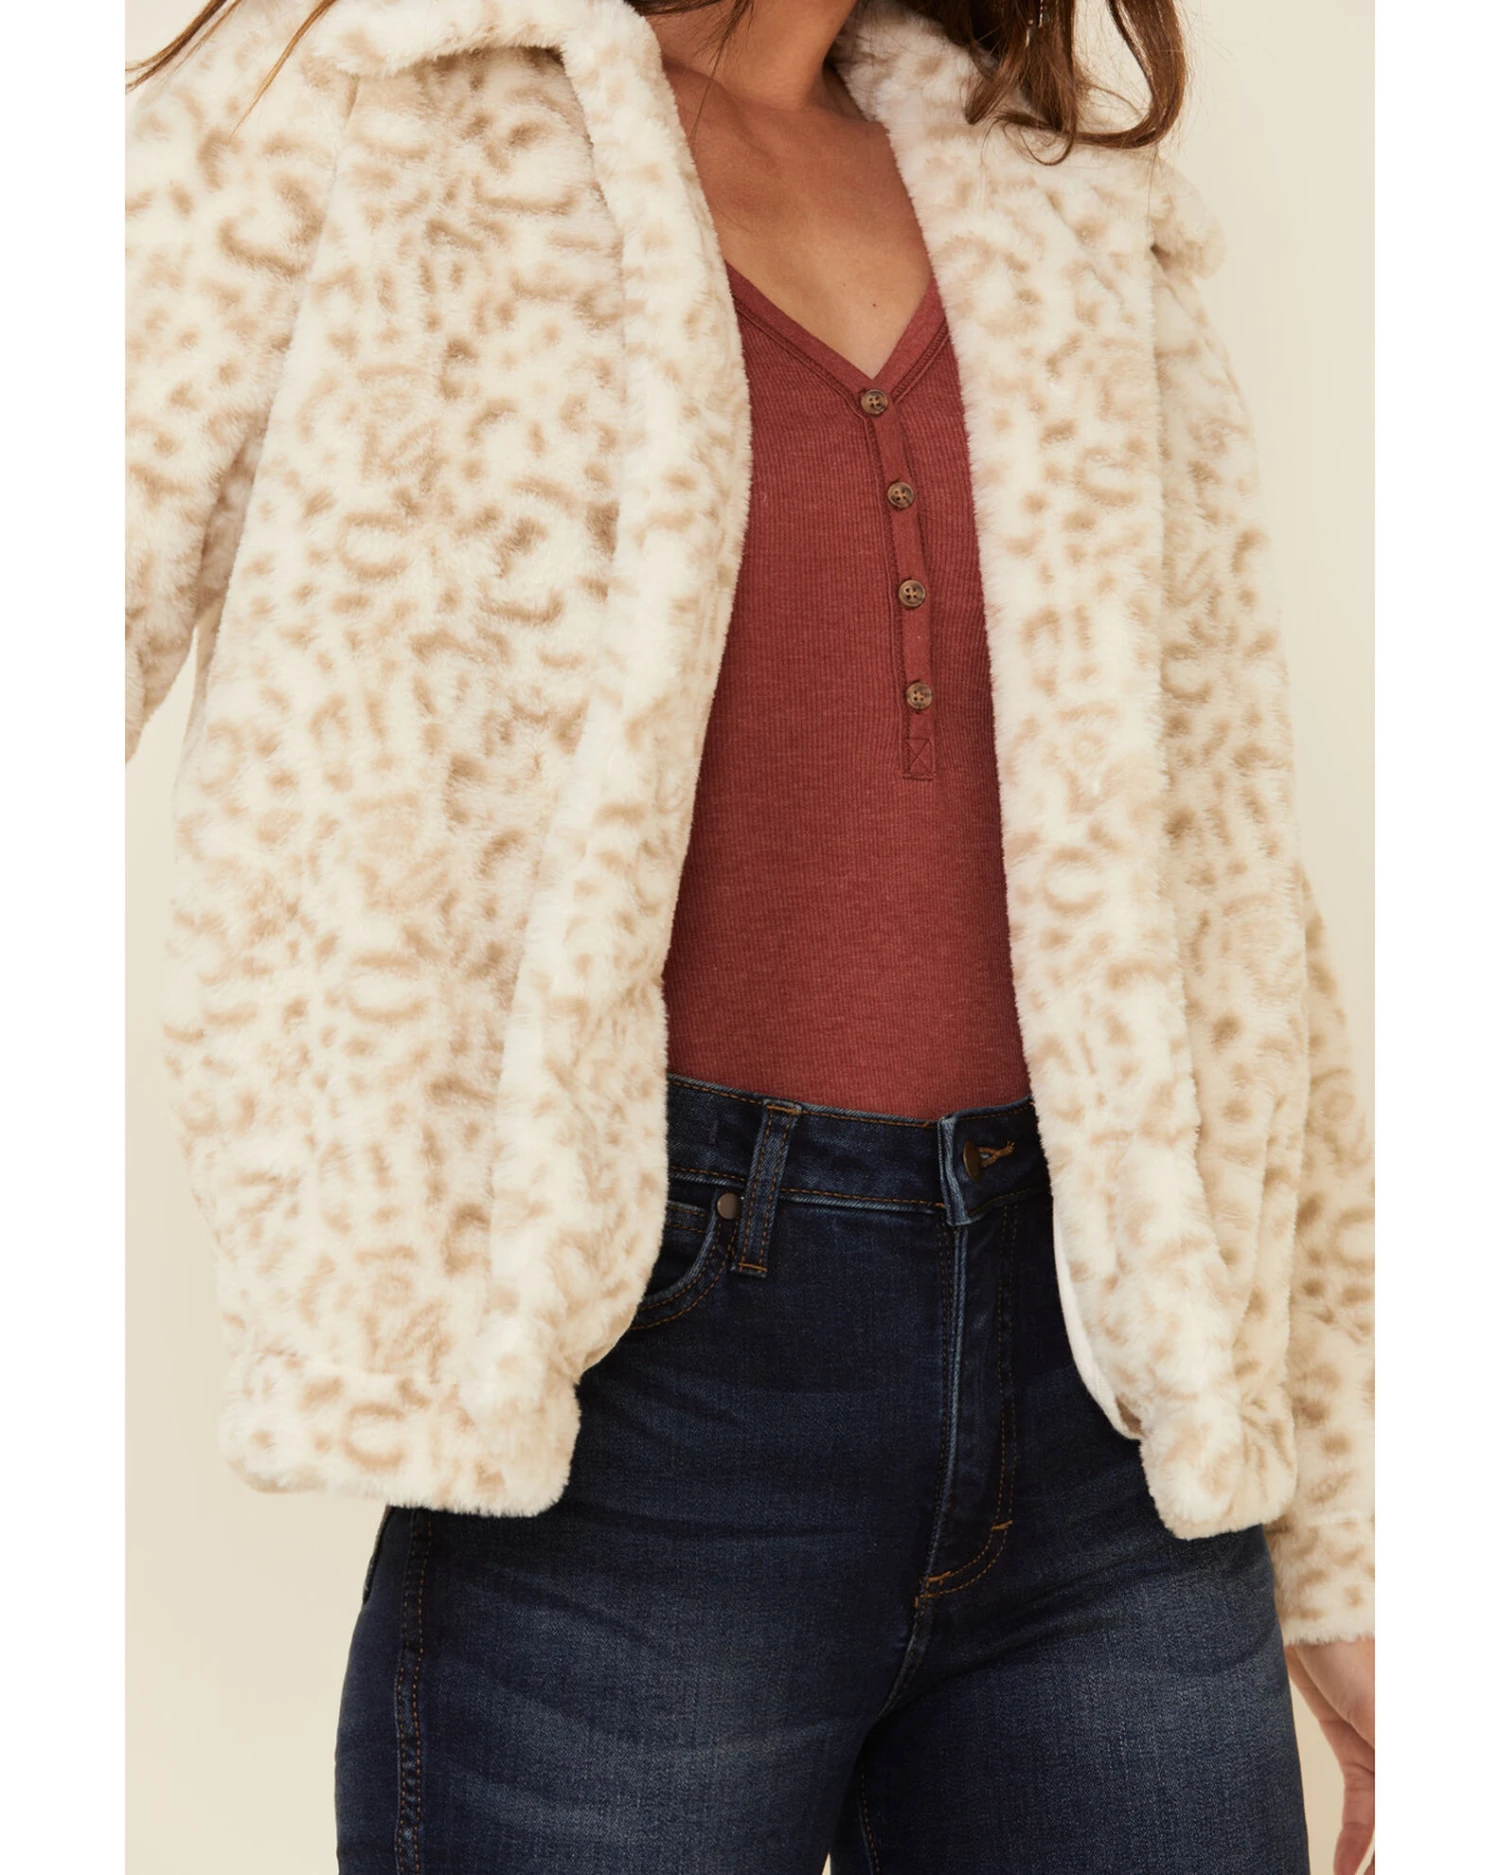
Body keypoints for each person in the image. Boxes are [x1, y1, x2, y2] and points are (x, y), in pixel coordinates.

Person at [125, 0, 1375, 1869]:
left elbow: (1232, 894)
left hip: (1115, 1419)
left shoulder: (1064, 200)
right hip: (632, 1397)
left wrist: (1350, 1531)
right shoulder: (370, 101)